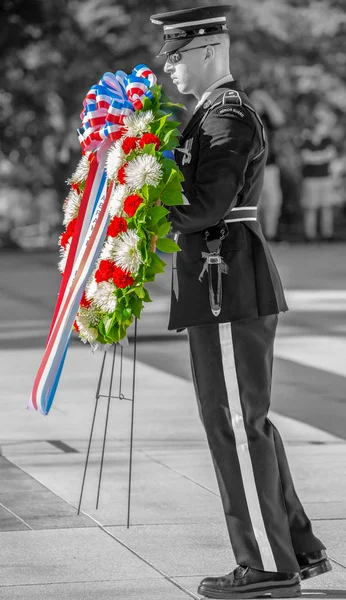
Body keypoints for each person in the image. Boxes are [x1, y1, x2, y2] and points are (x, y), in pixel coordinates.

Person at [150, 6, 331, 599]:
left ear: (207, 52)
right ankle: (298, 548)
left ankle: (268, 566)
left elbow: (204, 208)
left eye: (176, 55)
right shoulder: (207, 117)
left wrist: (137, 207)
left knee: (234, 420)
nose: (169, 66)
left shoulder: (226, 120)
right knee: (241, 417)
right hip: (221, 279)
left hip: (228, 281)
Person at [249, 89, 286, 241]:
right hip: (251, 167)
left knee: (273, 202)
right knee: (254, 203)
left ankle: (271, 234)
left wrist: (266, 98)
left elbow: (280, 120)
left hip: (269, 166)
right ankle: (255, 235)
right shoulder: (246, 118)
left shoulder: (267, 119)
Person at [300, 103, 337, 242]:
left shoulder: (327, 140)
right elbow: (306, 158)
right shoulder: (306, 140)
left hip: (325, 177)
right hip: (310, 179)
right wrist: (322, 156)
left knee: (326, 207)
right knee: (311, 207)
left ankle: (327, 234)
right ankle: (310, 235)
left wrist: (316, 157)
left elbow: (331, 155)